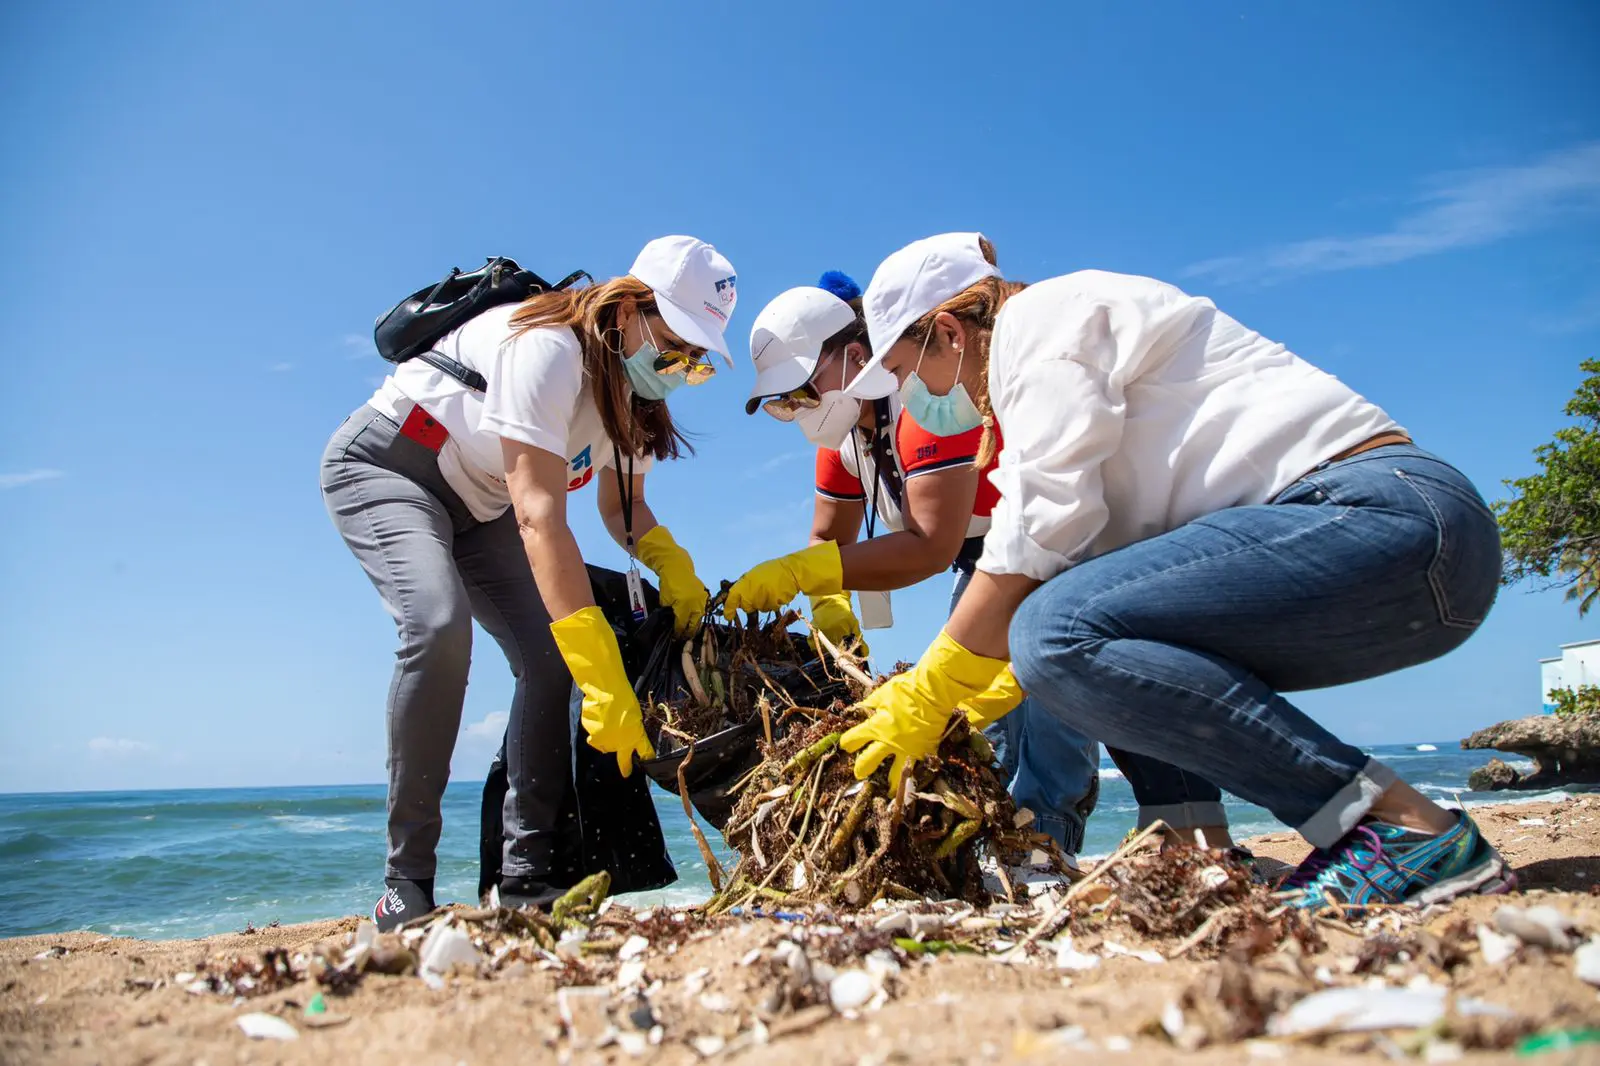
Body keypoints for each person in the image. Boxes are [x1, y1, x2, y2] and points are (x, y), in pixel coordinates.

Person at [838, 232, 1513, 909]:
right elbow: (1091, 566)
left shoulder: (1046, 325)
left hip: (1383, 516)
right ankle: (1242, 831)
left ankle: (1394, 828)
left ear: (949, 333)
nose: (909, 395)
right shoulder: (1036, 357)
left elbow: (1039, 530)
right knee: (1072, 642)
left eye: (903, 371)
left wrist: (932, 687)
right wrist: (997, 679)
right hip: (1401, 555)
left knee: (1052, 634)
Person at [321, 236, 737, 929]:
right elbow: (542, 516)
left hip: (484, 507)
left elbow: (619, 511)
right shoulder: (550, 348)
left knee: (548, 659)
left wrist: (672, 564)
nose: (679, 366)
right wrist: (602, 668)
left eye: (695, 362)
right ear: (631, 309)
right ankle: (406, 883)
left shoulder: (629, 395)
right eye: (675, 346)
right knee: (438, 628)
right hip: (392, 467)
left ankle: (526, 880)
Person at [724, 271, 1102, 857]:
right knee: (981, 727)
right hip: (984, 558)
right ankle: (1000, 848)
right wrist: (831, 613)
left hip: (1057, 545)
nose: (798, 410)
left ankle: (1051, 844)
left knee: (1055, 705)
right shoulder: (843, 440)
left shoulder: (922, 402)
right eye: (783, 403)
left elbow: (931, 545)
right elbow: (829, 537)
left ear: (854, 356)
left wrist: (802, 572)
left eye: (801, 390)